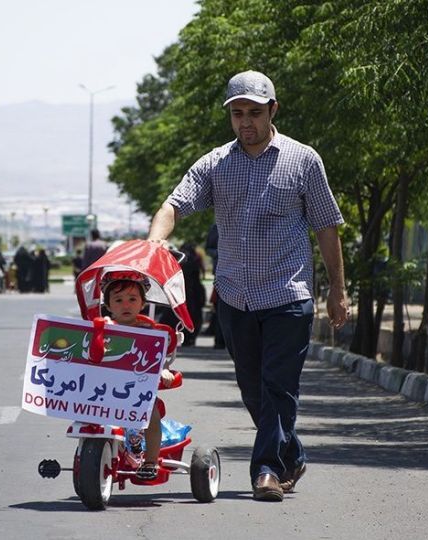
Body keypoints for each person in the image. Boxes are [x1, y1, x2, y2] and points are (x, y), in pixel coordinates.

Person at [147, 70, 348, 501]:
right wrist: (154, 243)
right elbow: (174, 204)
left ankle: (267, 472)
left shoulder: (303, 160)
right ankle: (291, 454)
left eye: (254, 113)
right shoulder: (216, 163)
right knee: (253, 390)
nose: (246, 123)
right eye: (237, 114)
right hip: (235, 299)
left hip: (288, 296)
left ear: (273, 110)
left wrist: (337, 289)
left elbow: (328, 227)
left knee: (278, 385)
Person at [100, 271, 176, 480]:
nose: (126, 305)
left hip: (138, 392)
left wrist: (164, 369)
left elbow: (158, 356)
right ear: (108, 305)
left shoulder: (149, 330)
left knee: (151, 414)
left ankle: (150, 461)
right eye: (118, 300)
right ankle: (89, 454)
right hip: (104, 391)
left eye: (132, 299)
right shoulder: (102, 328)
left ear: (142, 303)